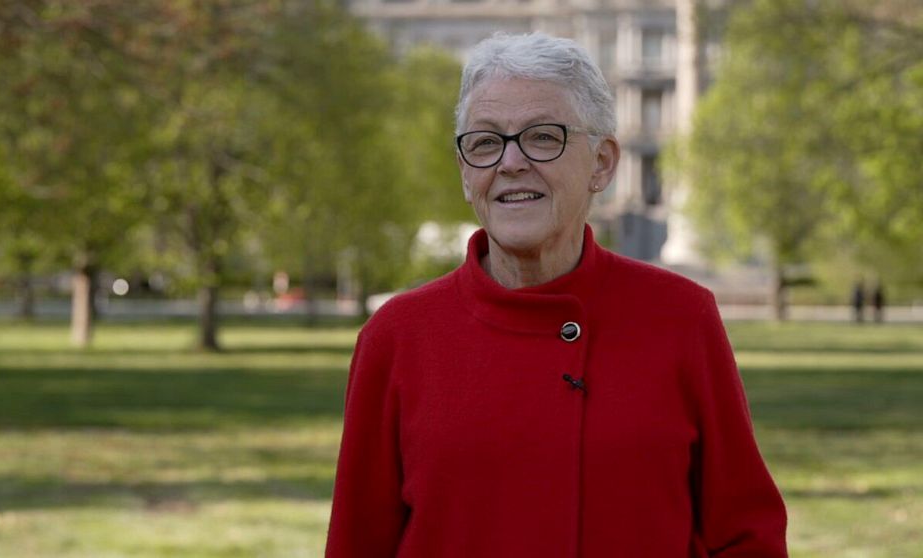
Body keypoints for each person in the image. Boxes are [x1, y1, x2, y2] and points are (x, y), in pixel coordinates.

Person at [326, 32, 787, 557]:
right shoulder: (397, 336)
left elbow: (747, 535)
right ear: (464, 172)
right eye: (484, 142)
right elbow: (356, 544)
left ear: (602, 163)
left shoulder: (682, 316)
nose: (511, 162)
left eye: (542, 137)